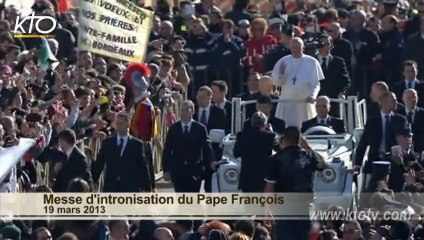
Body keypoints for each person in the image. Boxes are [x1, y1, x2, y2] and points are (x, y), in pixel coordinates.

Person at [264, 126, 326, 240]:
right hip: (304, 207)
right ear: (299, 140)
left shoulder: (275, 159)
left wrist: (267, 211)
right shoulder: (307, 157)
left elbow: (269, 187)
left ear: (282, 140)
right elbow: (322, 164)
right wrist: (307, 147)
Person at [354, 91, 408, 189]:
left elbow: (407, 143)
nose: (397, 103)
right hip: (375, 163)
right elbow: (363, 144)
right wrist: (357, 164)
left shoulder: (401, 120)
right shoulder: (372, 121)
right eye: (393, 100)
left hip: (394, 164)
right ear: (383, 102)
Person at [162, 100, 215, 192]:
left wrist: (210, 162)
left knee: (193, 200)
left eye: (186, 110)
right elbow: (167, 150)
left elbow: (207, 148)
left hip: (194, 171)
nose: (183, 113)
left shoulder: (200, 128)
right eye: (182, 110)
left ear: (193, 111)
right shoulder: (174, 129)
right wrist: (166, 169)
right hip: (178, 171)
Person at [92, 112, 152, 192]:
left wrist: (147, 187)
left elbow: (142, 166)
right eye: (117, 124)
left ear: (128, 124)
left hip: (130, 188)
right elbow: (99, 163)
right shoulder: (108, 143)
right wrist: (94, 179)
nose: (118, 127)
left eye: (121, 124)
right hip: (111, 188)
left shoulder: (137, 144)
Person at [271, 37, 324, 128]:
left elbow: (316, 84)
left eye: (298, 47)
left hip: (304, 103)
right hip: (287, 103)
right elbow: (277, 83)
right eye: (293, 47)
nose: (296, 49)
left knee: (305, 130)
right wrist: (282, 75)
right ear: (290, 48)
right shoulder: (282, 62)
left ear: (303, 48)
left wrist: (312, 96)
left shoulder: (312, 62)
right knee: (286, 130)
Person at [125, 62, 158, 191]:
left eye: (134, 88)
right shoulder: (141, 103)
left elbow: (142, 129)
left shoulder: (143, 105)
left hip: (141, 144)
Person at [194, 85, 227, 192]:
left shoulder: (219, 112)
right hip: (196, 155)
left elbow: (224, 131)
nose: (199, 100)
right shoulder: (192, 111)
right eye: (198, 97)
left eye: (202, 97)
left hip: (212, 154)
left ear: (210, 97)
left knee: (210, 188)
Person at [234, 112, 276, 192]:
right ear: (265, 124)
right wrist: (271, 132)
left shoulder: (241, 136)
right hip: (263, 178)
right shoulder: (270, 136)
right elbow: (279, 149)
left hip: (247, 178)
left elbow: (236, 154)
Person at [316, 35, 350, 117]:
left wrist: (342, 92)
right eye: (323, 44)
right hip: (315, 101)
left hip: (333, 101)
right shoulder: (312, 61)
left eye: (328, 44)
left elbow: (346, 80)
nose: (325, 46)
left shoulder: (338, 62)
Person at [388, 125, 423, 192]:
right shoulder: (390, 159)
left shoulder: (419, 159)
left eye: (410, 136)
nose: (408, 139)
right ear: (397, 138)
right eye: (404, 136)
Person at [396, 89, 424, 153]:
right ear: (403, 99)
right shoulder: (397, 114)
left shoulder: (422, 113)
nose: (412, 100)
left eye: (414, 97)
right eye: (409, 98)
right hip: (402, 151)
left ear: (417, 98)